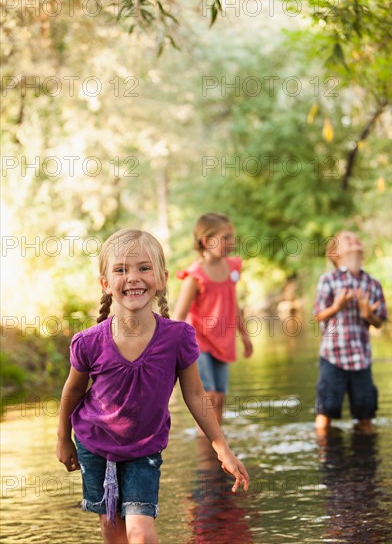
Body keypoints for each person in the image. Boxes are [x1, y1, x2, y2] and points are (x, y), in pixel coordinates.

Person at [56, 229, 249, 544]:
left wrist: (222, 448)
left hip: (144, 449)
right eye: (121, 270)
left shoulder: (177, 338)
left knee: (141, 533)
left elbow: (196, 395)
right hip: (95, 446)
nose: (133, 277)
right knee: (112, 531)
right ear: (105, 283)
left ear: (161, 277)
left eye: (144, 268)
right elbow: (72, 393)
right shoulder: (89, 342)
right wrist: (64, 439)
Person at [173, 213, 253, 425]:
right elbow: (179, 316)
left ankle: (215, 444)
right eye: (226, 237)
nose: (232, 242)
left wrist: (244, 335)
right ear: (207, 241)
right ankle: (205, 441)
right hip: (198, 341)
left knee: (220, 397)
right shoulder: (195, 276)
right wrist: (170, 349)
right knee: (209, 395)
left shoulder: (232, 268)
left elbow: (234, 304)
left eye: (232, 237)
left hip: (223, 340)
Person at [313, 230, 387, 434]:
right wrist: (336, 307)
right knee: (325, 414)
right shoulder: (328, 280)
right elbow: (317, 315)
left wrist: (367, 314)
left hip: (361, 358)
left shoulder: (372, 284)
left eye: (357, 240)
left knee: (366, 416)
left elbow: (379, 322)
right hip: (333, 357)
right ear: (335, 254)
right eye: (348, 241)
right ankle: (325, 453)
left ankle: (365, 460)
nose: (355, 242)